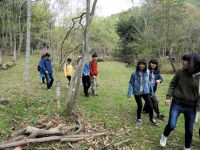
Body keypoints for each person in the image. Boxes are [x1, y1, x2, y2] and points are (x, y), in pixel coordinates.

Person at [159, 53, 200, 150]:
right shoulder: (180, 73)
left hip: (191, 107)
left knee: (189, 130)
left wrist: (198, 108)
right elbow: (172, 84)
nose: (183, 62)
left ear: (193, 63)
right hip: (177, 104)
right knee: (172, 125)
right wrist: (168, 97)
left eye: (185, 60)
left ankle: (187, 147)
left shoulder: (198, 77)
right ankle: (164, 136)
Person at [127, 59, 158, 126]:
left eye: (143, 64)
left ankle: (151, 119)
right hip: (137, 92)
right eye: (140, 64)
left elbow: (150, 83)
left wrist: (152, 92)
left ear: (145, 65)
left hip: (145, 92)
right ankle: (138, 118)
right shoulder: (134, 73)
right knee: (140, 106)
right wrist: (129, 92)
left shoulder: (147, 72)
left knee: (150, 106)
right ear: (138, 65)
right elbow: (131, 83)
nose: (141, 65)